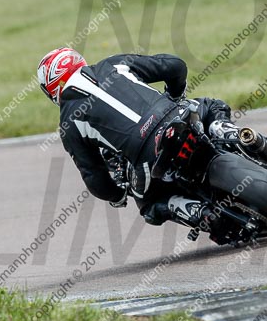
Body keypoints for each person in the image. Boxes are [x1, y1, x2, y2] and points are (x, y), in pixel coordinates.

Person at [37, 48, 242, 230]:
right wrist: (176, 95)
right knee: (212, 106)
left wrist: (116, 195)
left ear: (52, 90)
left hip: (146, 154)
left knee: (150, 207)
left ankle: (198, 212)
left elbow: (94, 177)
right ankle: (228, 131)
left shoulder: (68, 123)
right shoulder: (113, 64)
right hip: (177, 115)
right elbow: (175, 66)